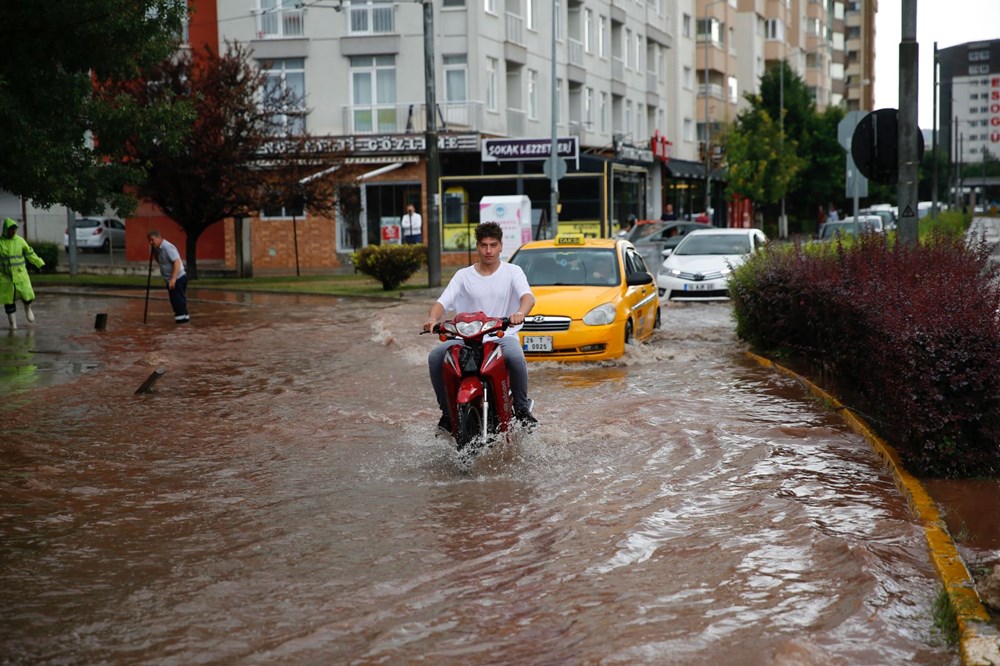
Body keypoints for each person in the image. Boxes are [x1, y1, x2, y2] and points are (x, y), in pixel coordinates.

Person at [423, 221, 538, 429]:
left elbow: (528, 297)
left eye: (493, 245)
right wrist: (432, 318)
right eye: (484, 245)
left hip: (502, 336)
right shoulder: (463, 275)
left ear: (501, 246)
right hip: (466, 338)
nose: (488, 250)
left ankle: (521, 409)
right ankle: (447, 413)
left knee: (515, 356)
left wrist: (520, 313)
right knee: (435, 357)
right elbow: (442, 302)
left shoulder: (513, 272)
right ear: (477, 246)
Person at [1, 217, 45, 330]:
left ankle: (27, 309)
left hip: (21, 275)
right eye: (11, 229)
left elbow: (30, 253)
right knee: (9, 300)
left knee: (27, 295)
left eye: (14, 229)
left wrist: (39, 263)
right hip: (5, 277)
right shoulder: (0, 243)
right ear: (6, 230)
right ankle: (13, 325)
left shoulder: (20, 241)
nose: (13, 232)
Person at [148, 230, 189, 324]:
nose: (151, 242)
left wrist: (173, 278)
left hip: (177, 279)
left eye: (152, 240)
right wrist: (155, 253)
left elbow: (177, 262)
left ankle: (181, 327)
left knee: (178, 303)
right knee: (179, 303)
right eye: (149, 241)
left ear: (158, 238)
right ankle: (185, 324)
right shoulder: (159, 249)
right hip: (172, 279)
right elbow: (161, 262)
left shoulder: (167, 247)